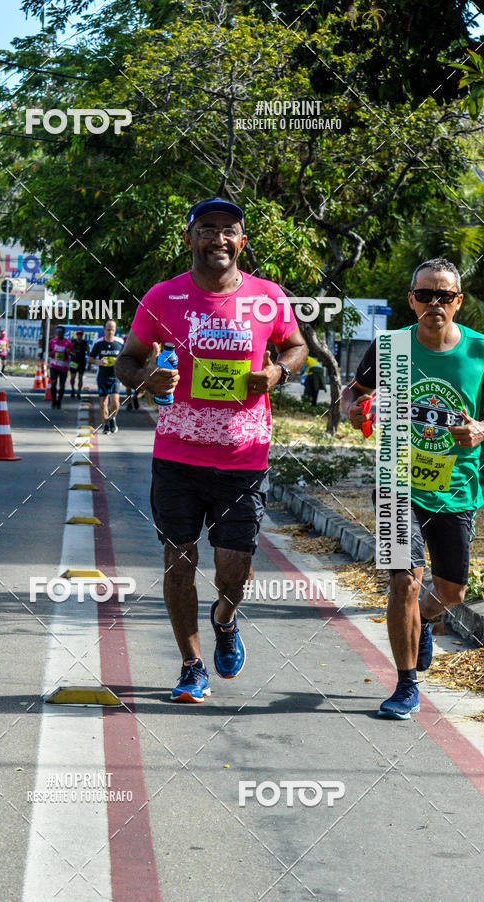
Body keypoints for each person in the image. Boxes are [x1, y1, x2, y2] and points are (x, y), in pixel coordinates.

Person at [115, 197, 307, 703]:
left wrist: (278, 372)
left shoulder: (267, 298)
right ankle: (191, 665)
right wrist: (146, 378)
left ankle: (225, 619)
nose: (217, 238)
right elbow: (128, 360)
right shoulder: (163, 296)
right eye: (206, 229)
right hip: (177, 456)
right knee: (178, 561)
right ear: (189, 238)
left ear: (242, 241)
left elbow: (297, 346)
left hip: (243, 459)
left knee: (232, 571)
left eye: (228, 229)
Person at [342, 258, 484, 719]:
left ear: (458, 302)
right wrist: (355, 408)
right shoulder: (390, 347)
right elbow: (355, 392)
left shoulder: (480, 353)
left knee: (452, 593)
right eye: (425, 295)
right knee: (404, 580)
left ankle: (422, 621)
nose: (434, 303)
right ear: (411, 299)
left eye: (444, 296)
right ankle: (406, 685)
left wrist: (480, 429)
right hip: (396, 481)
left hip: (456, 488)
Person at [90, 320, 123, 434]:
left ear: (115, 330)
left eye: (112, 330)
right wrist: (98, 362)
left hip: (115, 377)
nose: (110, 332)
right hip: (102, 377)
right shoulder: (99, 344)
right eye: (108, 330)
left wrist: (118, 361)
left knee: (115, 401)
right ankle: (105, 424)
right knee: (103, 403)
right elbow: (90, 358)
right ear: (104, 330)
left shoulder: (120, 343)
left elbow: (126, 358)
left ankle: (112, 418)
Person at [48, 325, 74, 409]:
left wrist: (69, 352)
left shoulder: (68, 342)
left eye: (60, 332)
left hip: (64, 367)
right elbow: (49, 351)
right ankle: (53, 401)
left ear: (63, 333)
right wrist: (50, 354)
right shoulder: (52, 341)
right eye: (57, 331)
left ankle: (59, 401)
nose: (58, 333)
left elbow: (73, 354)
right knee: (53, 383)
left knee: (62, 385)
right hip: (54, 365)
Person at [70, 329, 89, 398]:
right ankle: (72, 389)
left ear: (82, 335)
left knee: (80, 378)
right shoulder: (73, 342)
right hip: (74, 361)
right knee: (72, 377)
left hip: (81, 362)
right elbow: (69, 350)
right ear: (76, 335)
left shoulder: (85, 343)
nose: (79, 336)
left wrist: (89, 362)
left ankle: (79, 392)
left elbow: (88, 352)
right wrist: (72, 353)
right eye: (78, 334)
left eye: (80, 334)